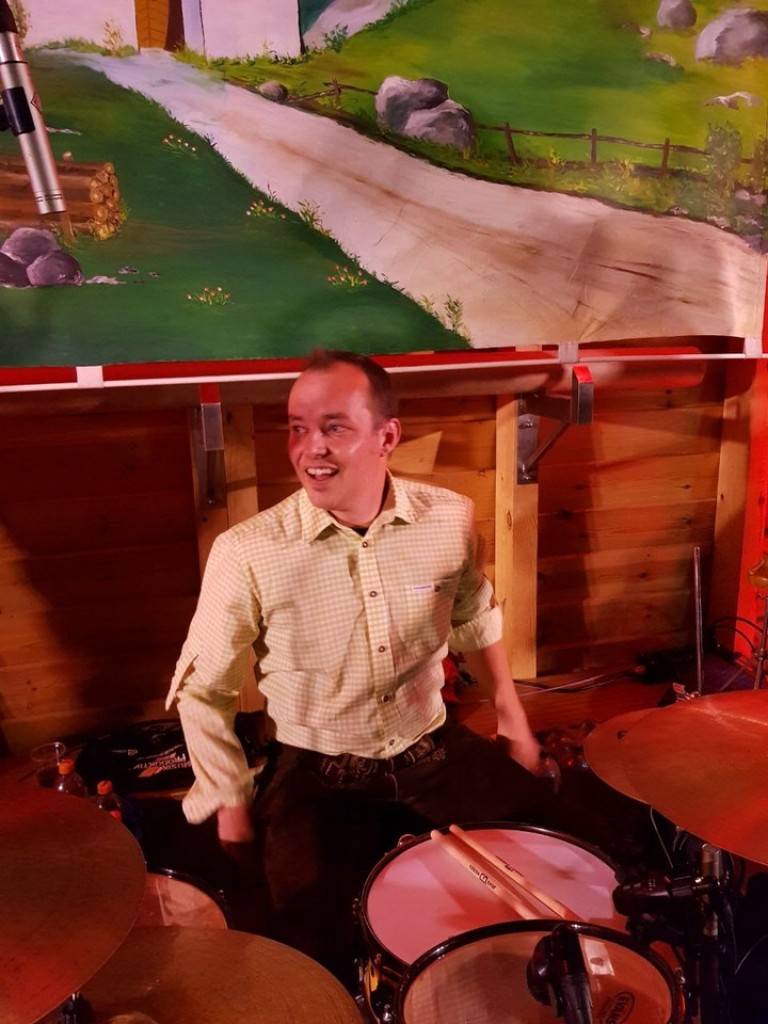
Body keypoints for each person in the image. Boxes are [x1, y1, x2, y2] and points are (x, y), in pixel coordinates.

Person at [166, 348, 561, 982]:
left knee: (563, 866)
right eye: (298, 428)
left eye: (334, 427)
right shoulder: (248, 552)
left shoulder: (449, 517)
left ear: (387, 437)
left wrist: (515, 725)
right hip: (316, 773)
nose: (310, 449)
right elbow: (202, 691)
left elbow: (474, 617)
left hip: (434, 750)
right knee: (311, 953)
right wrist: (233, 810)